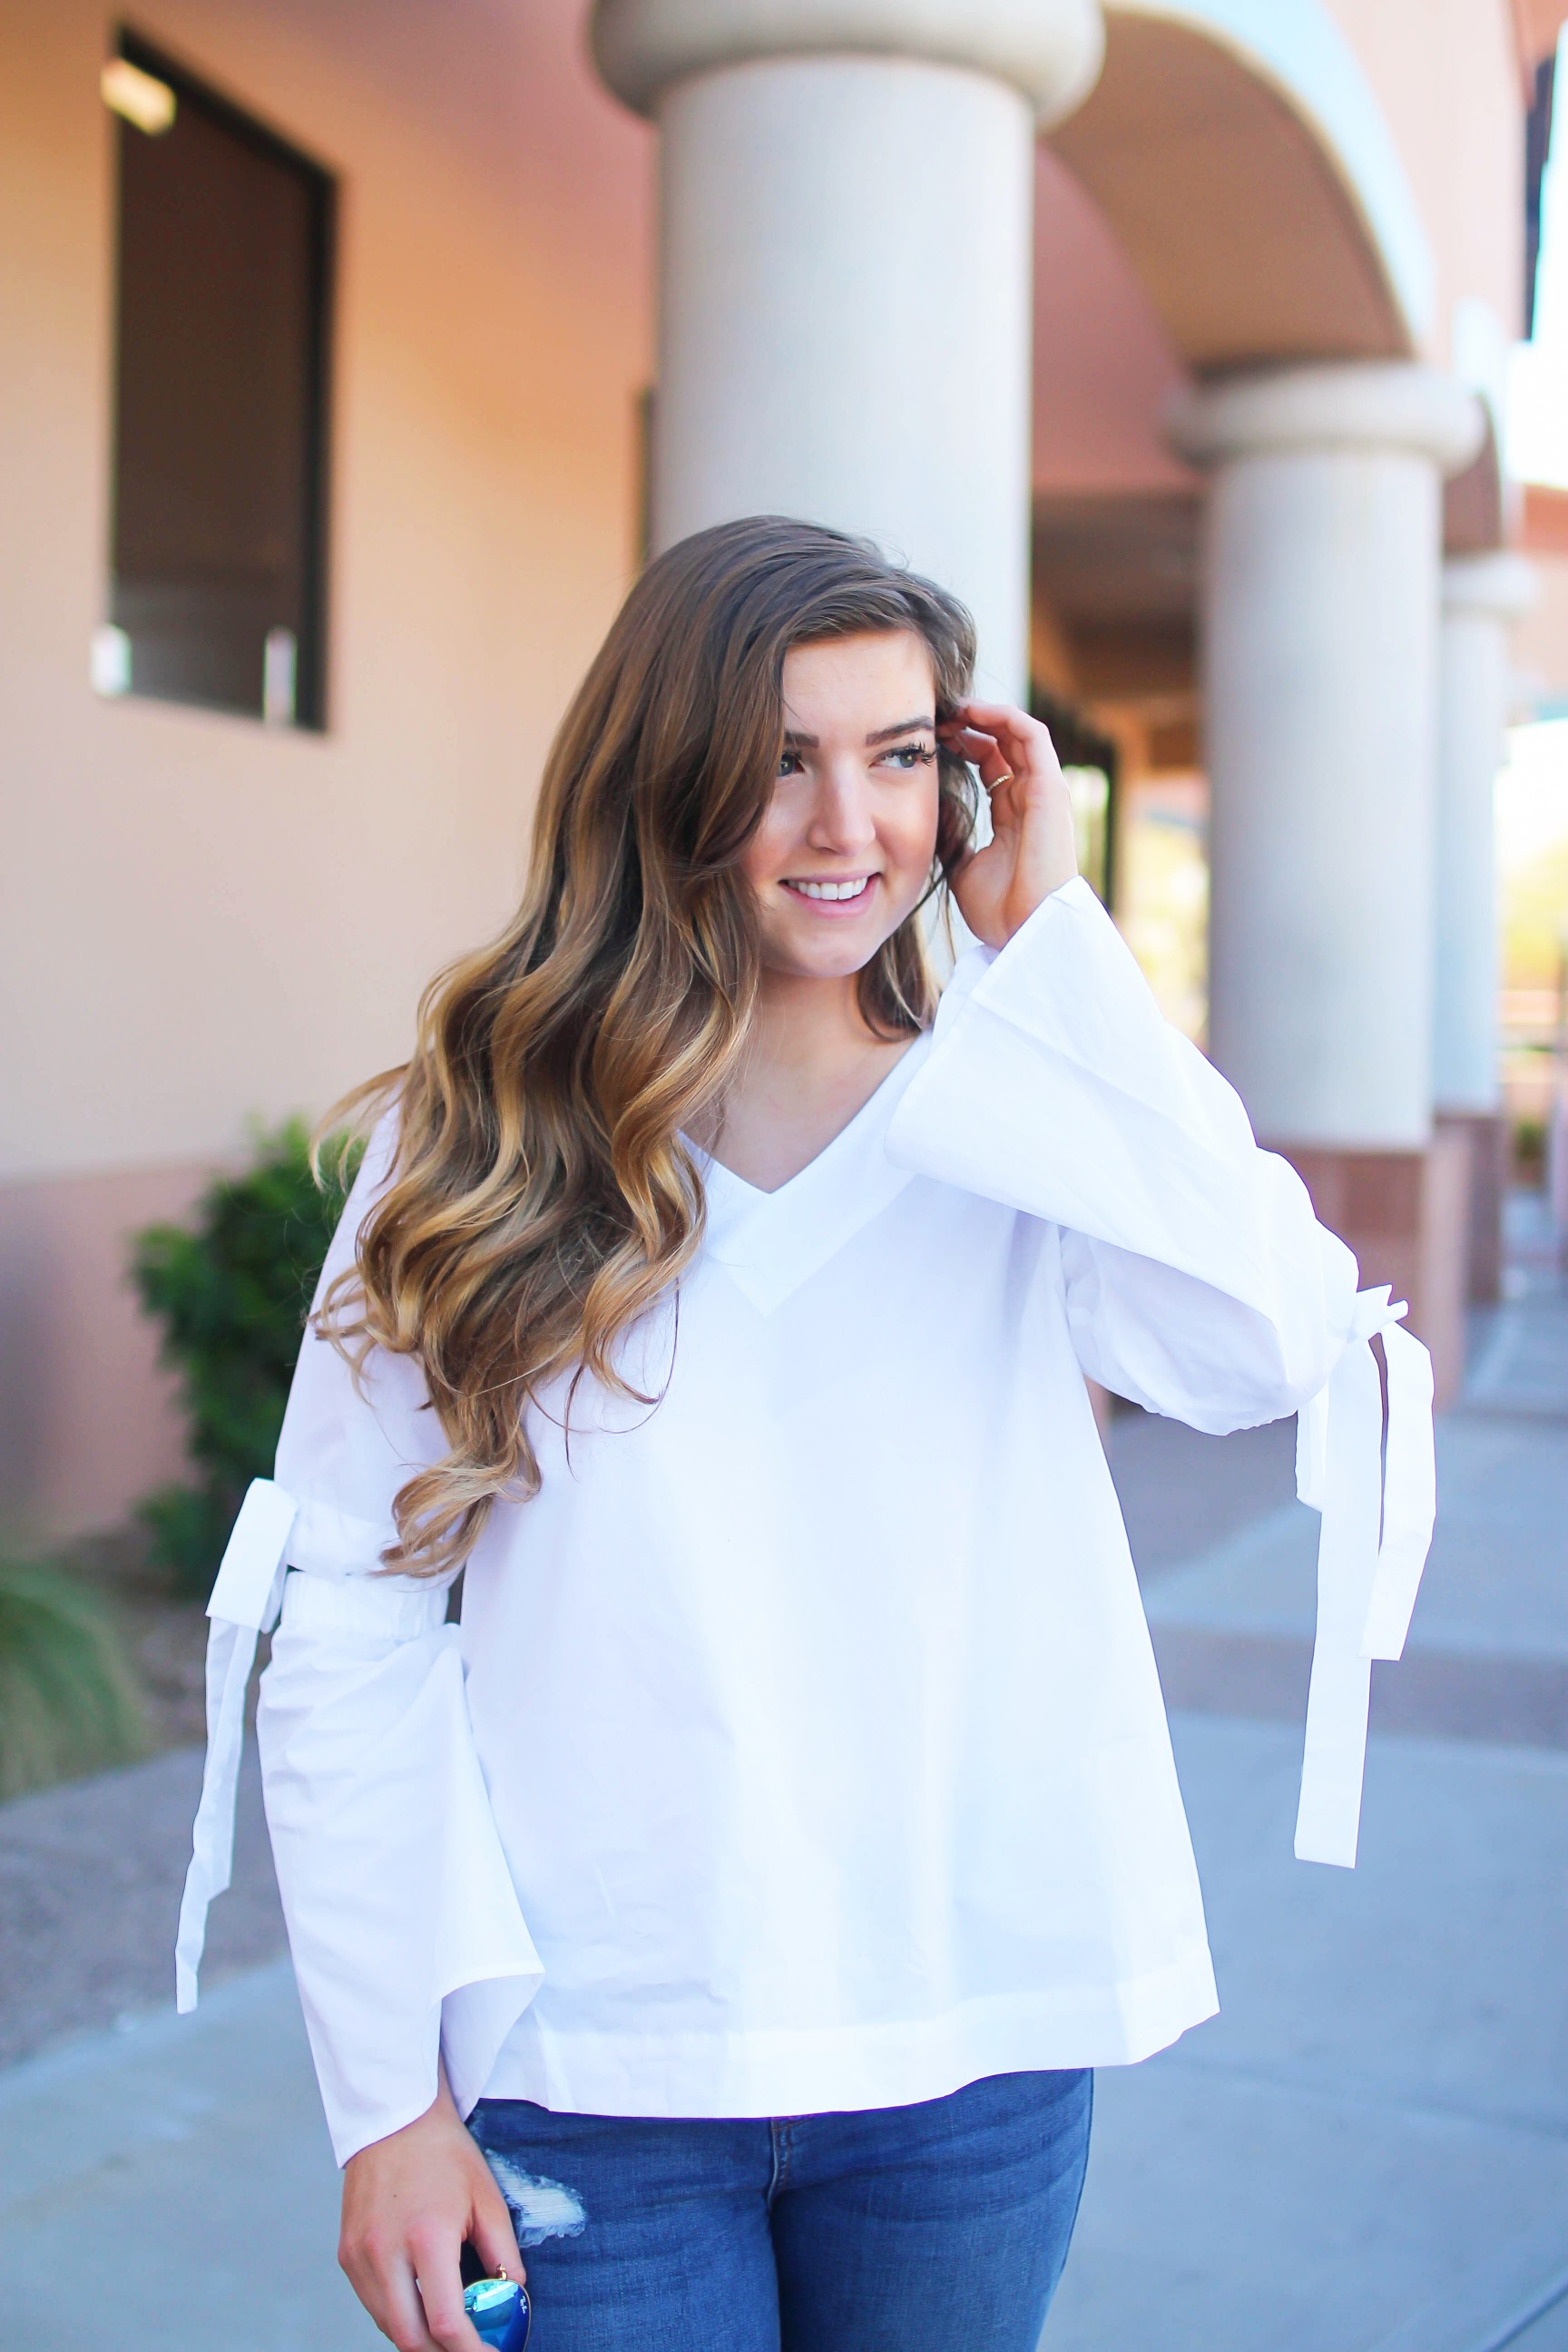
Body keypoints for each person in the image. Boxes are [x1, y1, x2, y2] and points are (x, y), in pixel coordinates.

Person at [175, 517, 1434, 2352]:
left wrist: (1058, 949)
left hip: (971, 2060)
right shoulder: (478, 1148)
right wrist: (383, 2097)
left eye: (901, 757)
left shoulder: (1022, 1114)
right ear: (664, 780)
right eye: (780, 760)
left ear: (968, 788)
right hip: (588, 2075)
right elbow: (352, 1620)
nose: (851, 825)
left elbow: (1268, 1339)